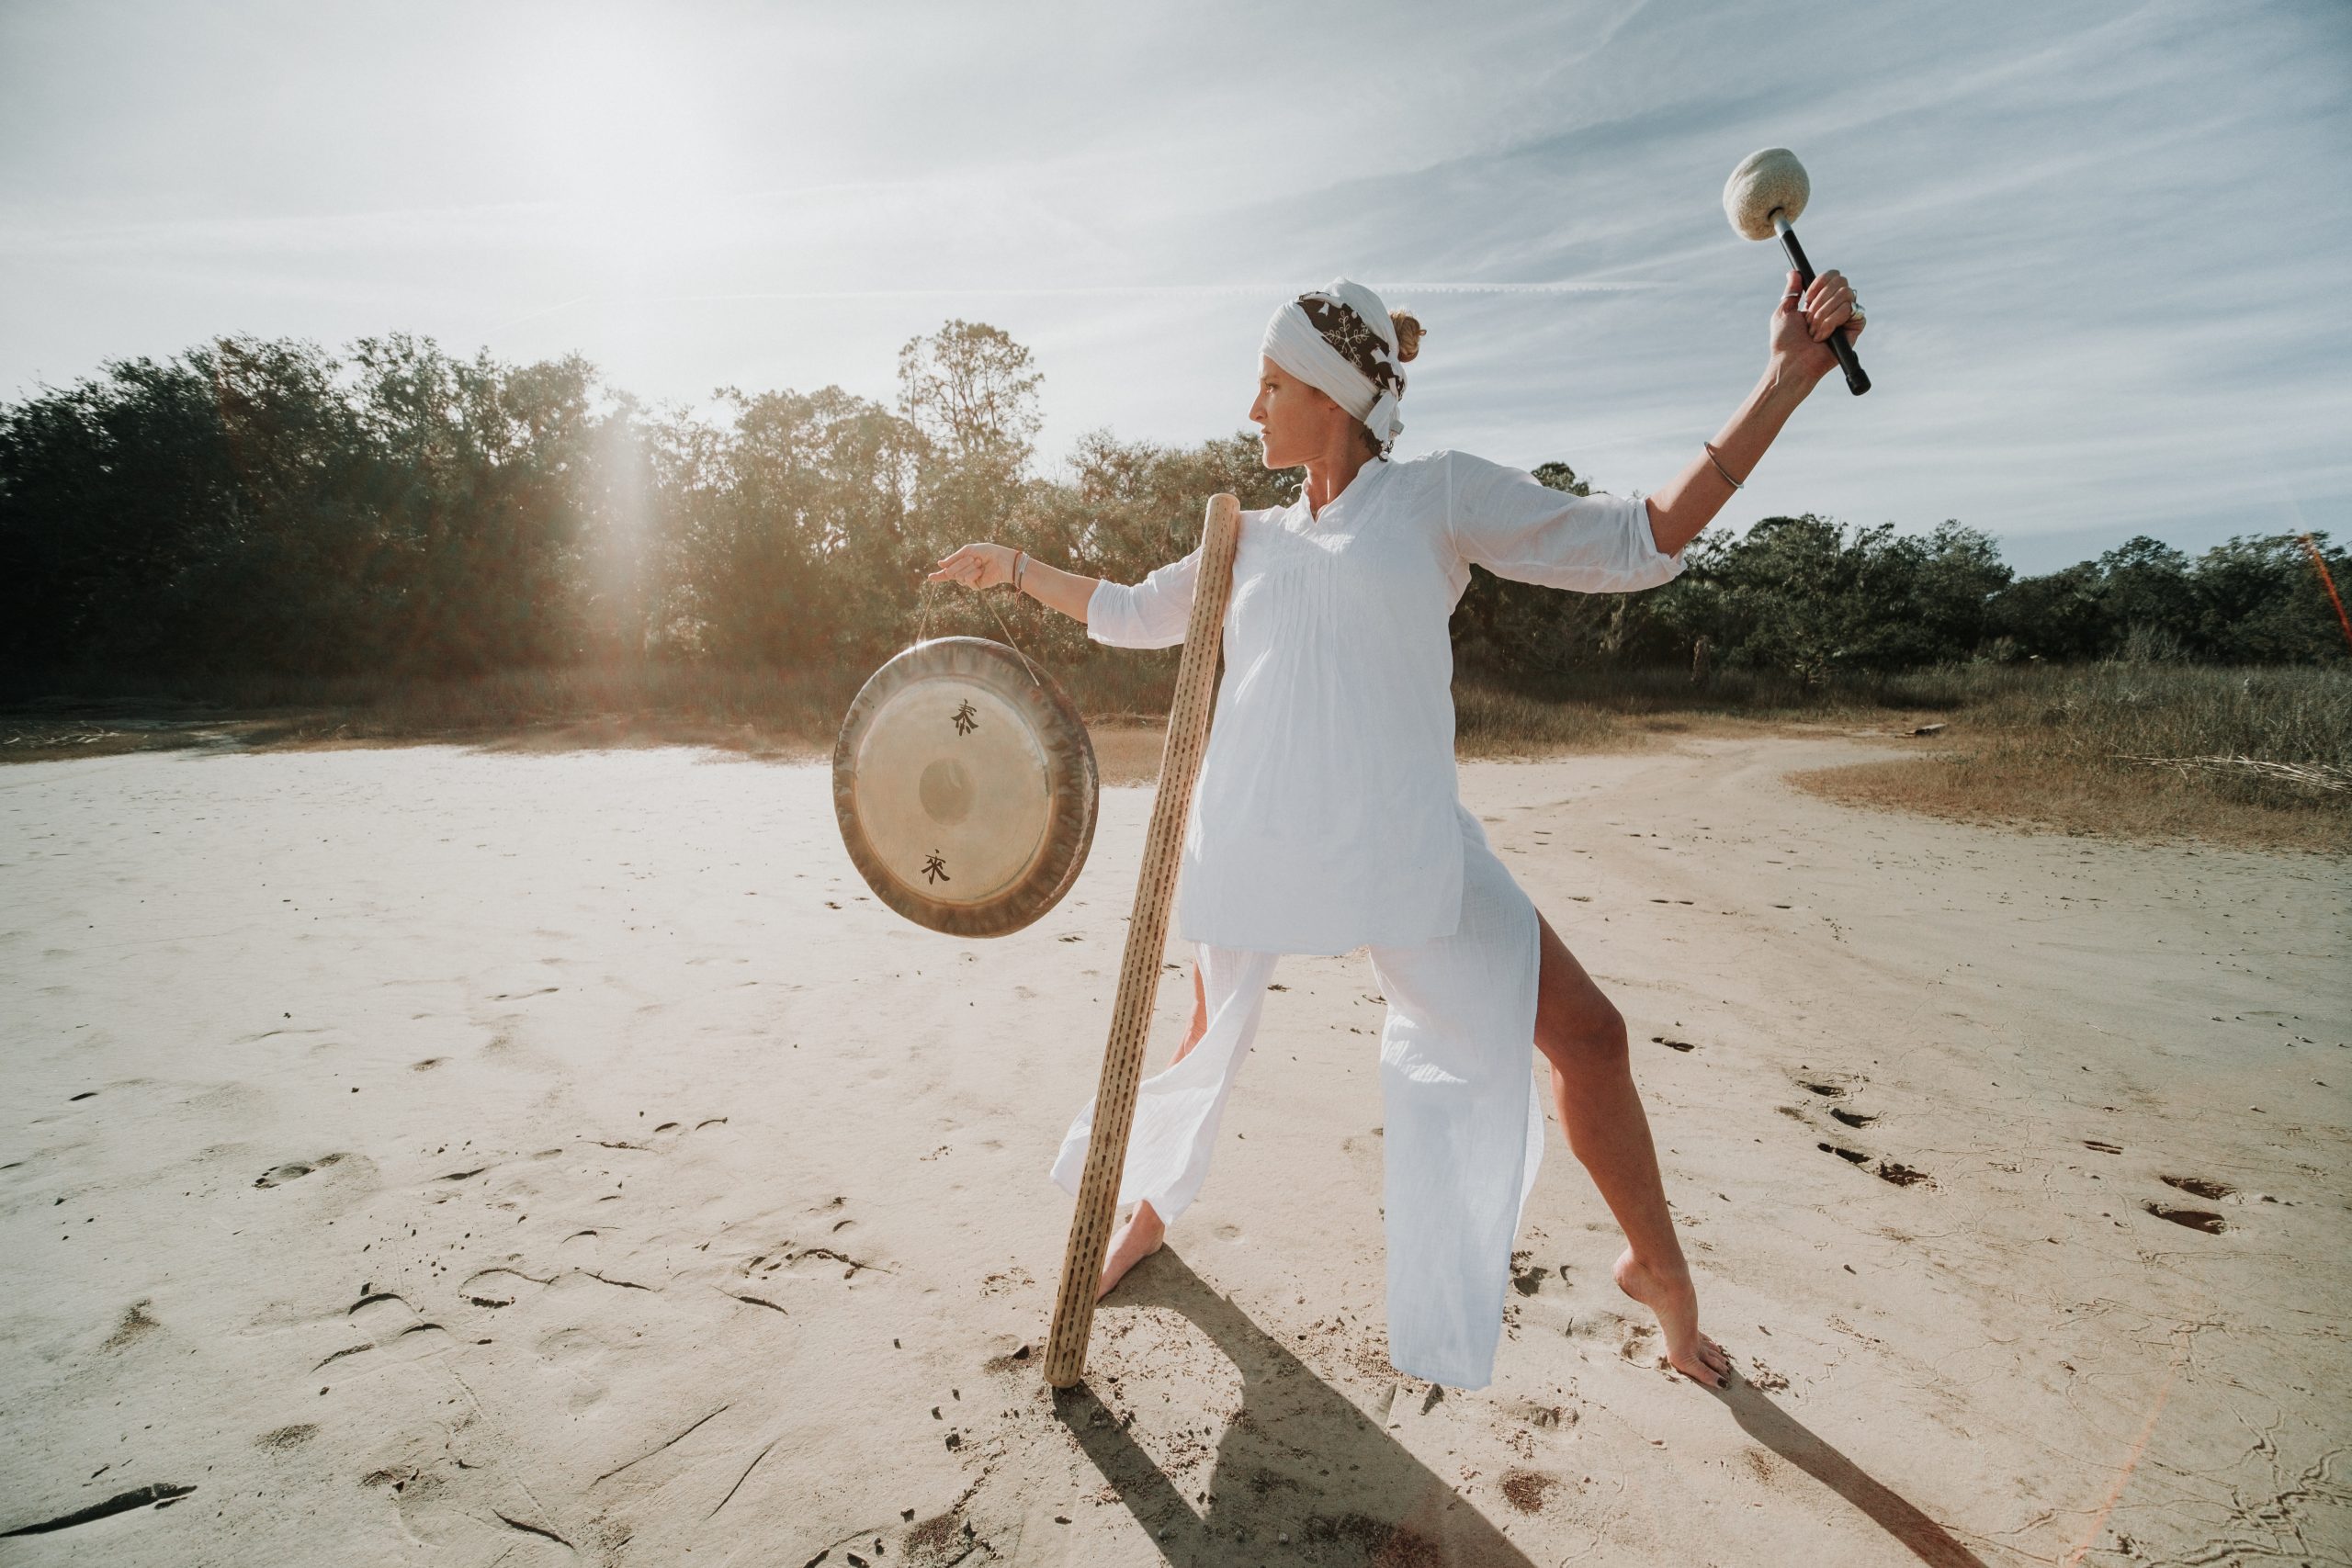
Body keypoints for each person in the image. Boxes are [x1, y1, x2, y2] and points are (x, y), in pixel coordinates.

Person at [931, 268, 1863, 1391]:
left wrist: (1783, 381)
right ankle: (1144, 1212)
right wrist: (1017, 569)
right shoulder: (1247, 537)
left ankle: (1658, 1273)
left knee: (1590, 1037)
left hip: (1406, 845)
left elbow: (1644, 540)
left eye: (1269, 384)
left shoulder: (1437, 498)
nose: (1252, 407)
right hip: (1260, 832)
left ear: (1330, 397)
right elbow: (1135, 614)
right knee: (1202, 1036)